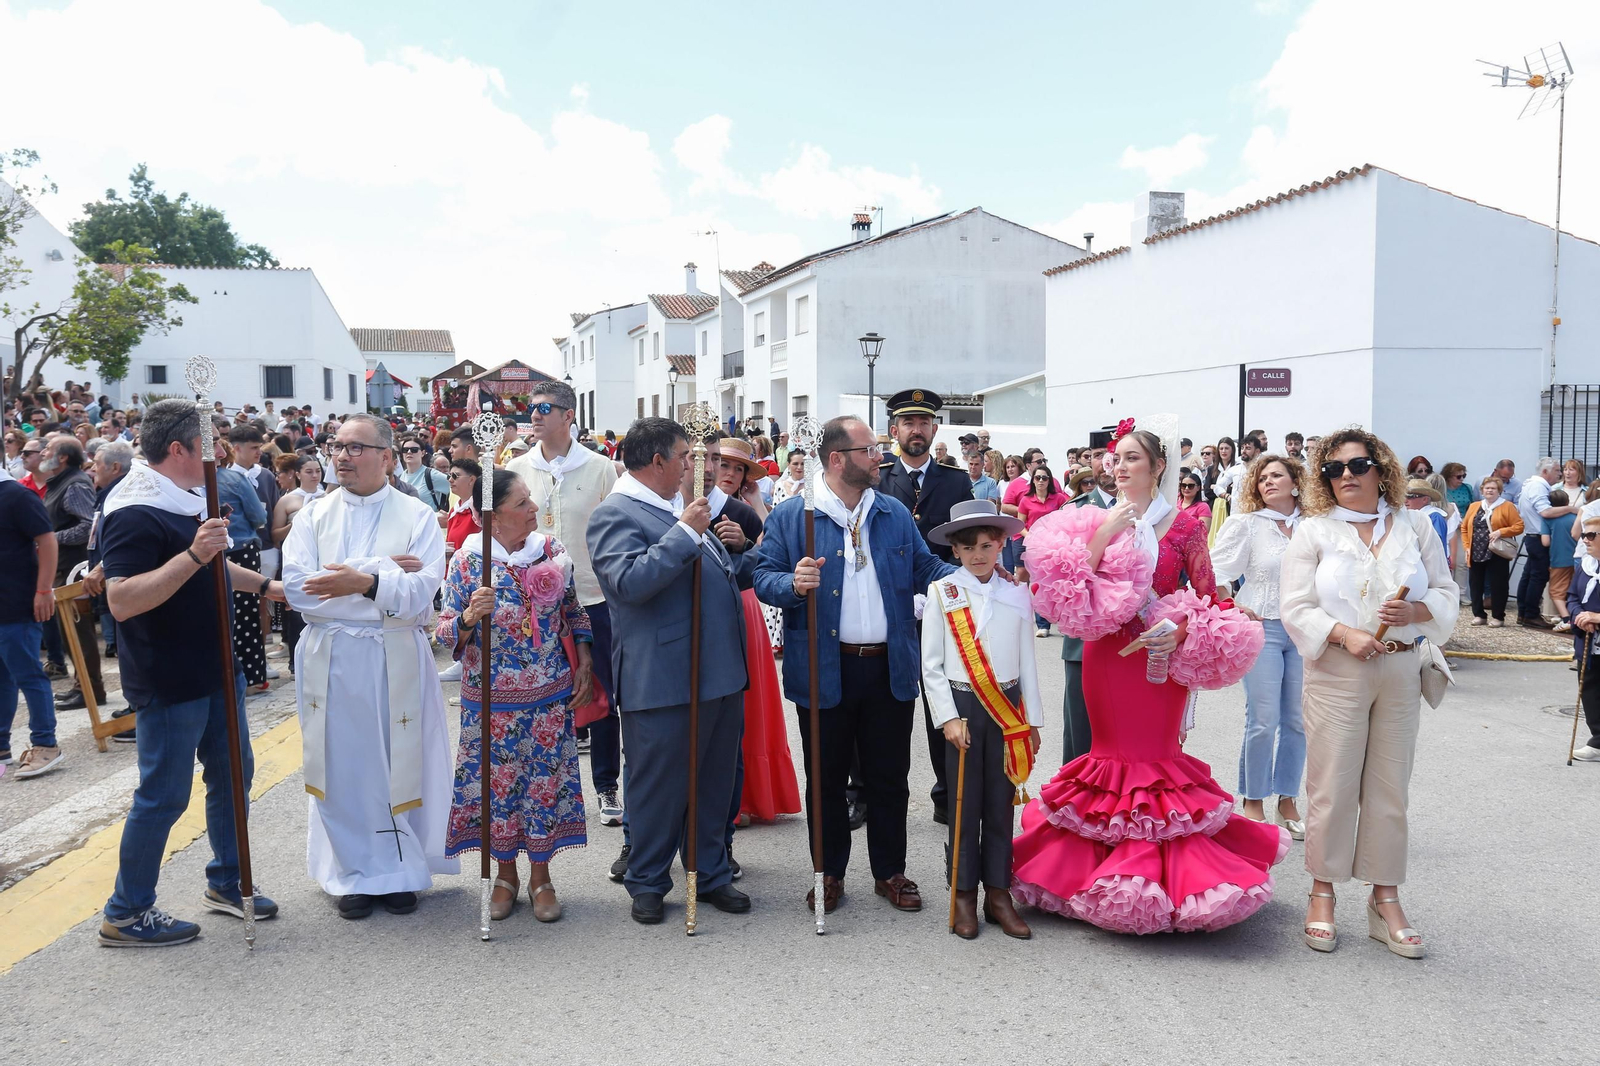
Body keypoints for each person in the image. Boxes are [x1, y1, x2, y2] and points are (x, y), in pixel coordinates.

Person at [1013, 419, 1283, 934]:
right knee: (1107, 756)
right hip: (1106, 656)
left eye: (1131, 458)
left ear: (1159, 467)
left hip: (1160, 663)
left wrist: (1180, 630)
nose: (1119, 467)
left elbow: (1211, 598)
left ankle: (1160, 880)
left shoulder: (1185, 527)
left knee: (1155, 761)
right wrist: (1107, 532)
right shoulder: (1092, 518)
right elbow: (1070, 585)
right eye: (1115, 459)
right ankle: (1093, 875)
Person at [97, 400, 283, 945]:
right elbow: (123, 599)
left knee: (233, 776)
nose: (220, 453)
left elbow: (214, 565)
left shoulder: (188, 495)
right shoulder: (132, 507)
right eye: (210, 444)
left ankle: (227, 879)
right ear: (178, 449)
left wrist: (269, 588)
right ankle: (126, 910)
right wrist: (197, 557)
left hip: (215, 667)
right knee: (163, 795)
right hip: (169, 672)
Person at [754, 415, 954, 915]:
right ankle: (828, 873)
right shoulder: (793, 515)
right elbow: (763, 577)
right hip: (824, 667)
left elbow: (927, 570)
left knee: (890, 776)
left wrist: (979, 575)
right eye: (869, 449)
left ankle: (891, 872)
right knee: (826, 778)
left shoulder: (891, 511)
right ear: (838, 459)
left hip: (889, 666)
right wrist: (792, 585)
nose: (880, 456)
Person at [1280, 428, 1458, 958]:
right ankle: (1322, 891)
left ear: (1381, 469)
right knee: (1332, 784)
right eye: (1333, 470)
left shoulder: (1415, 525)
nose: (1346, 477)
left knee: (1390, 788)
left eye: (1356, 466)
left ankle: (1385, 898)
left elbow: (1447, 591)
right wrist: (1343, 633)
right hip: (1337, 669)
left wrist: (1418, 612)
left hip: (1402, 668)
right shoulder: (1313, 531)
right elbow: (1295, 606)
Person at [282, 413, 458, 920]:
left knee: (396, 765)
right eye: (337, 446)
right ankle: (350, 873)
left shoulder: (417, 515)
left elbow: (422, 594)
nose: (341, 456)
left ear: (386, 456)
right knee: (344, 767)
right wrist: (382, 573)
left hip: (395, 655)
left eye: (356, 448)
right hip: (332, 658)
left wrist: (360, 582)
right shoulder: (312, 517)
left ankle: (399, 871)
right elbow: (299, 592)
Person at [586, 417, 754, 926]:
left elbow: (717, 576)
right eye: (685, 456)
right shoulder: (614, 514)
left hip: (718, 672)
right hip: (662, 676)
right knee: (658, 786)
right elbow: (629, 582)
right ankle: (648, 880)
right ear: (657, 461)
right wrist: (686, 534)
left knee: (714, 782)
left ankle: (711, 870)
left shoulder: (678, 510)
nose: (692, 466)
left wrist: (734, 548)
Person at [436, 467, 592, 922]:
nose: (533, 510)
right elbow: (445, 632)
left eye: (531, 500)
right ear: (493, 517)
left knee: (542, 785)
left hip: (547, 694)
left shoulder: (551, 551)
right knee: (498, 787)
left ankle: (541, 875)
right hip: (490, 700)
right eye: (521, 504)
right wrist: (468, 616)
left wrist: (585, 661)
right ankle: (505, 873)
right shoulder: (467, 562)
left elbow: (573, 610)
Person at [505, 382, 624, 834]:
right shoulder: (516, 467)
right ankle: (545, 789)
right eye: (530, 408)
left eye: (543, 408)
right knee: (543, 694)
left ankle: (607, 784)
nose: (534, 415)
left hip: (593, 595)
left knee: (602, 693)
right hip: (530, 600)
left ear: (568, 415)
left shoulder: (599, 469)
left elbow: (613, 531)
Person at [920, 500, 1039, 939]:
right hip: (965, 708)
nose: (978, 555)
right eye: (968, 547)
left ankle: (998, 894)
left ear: (1001, 544)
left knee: (1000, 804)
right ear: (955, 550)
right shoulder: (943, 593)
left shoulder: (1016, 594)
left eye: (987, 545)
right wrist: (947, 717)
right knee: (964, 806)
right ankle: (964, 893)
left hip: (1008, 710)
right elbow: (930, 664)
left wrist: (1034, 721)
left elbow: (1028, 660)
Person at [876, 389, 973, 825]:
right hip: (890, 610)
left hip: (941, 606)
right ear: (894, 430)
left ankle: (946, 791)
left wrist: (935, 593)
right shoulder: (877, 477)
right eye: (908, 423)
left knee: (943, 699)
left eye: (924, 422)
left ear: (934, 429)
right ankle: (865, 791)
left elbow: (965, 544)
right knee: (880, 704)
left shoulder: (955, 481)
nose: (916, 430)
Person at [1211, 454, 1306, 836]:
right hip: (1263, 630)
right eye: (1262, 478)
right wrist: (1232, 604)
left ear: (1295, 482)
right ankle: (1253, 798)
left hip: (1305, 632)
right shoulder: (1246, 525)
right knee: (1263, 719)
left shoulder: (1315, 527)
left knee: (1298, 720)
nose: (1267, 482)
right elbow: (1216, 570)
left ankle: (1287, 798)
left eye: (1276, 475)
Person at [711, 436, 800, 833]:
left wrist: (751, 519)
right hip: (709, 608)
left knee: (750, 703)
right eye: (722, 464)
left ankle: (750, 795)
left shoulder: (743, 512)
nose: (729, 474)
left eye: (738, 468)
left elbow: (771, 550)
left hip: (745, 605)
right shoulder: (685, 504)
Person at [0, 459, 60, 776]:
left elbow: (46, 539)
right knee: (3, 678)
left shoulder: (16, 495)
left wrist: (44, 589)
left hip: (16, 603)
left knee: (28, 675)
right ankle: (2, 748)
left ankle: (46, 744)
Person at [214, 437, 271, 695]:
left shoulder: (189, 483)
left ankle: (229, 676)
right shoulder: (234, 479)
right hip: (242, 549)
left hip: (213, 552)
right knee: (246, 615)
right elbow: (259, 517)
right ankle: (253, 676)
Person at [1517, 458, 1571, 629]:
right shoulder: (1538, 486)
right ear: (1545, 472)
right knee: (1538, 577)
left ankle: (1524, 613)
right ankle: (1531, 615)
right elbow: (1545, 511)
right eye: (1557, 470)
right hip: (1538, 537)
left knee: (1529, 575)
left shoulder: (1530, 484)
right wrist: (1572, 509)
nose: (1560, 474)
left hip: (1532, 536)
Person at [1461, 477, 1522, 627]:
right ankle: (1479, 615)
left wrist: (1501, 531)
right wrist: (1467, 547)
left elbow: (1519, 526)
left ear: (1499, 491)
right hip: (1476, 549)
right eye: (1487, 488)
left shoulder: (1507, 506)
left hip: (1497, 550)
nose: (1489, 490)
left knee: (1498, 585)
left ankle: (1498, 616)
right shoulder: (1474, 506)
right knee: (1476, 584)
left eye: (1493, 488)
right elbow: (1464, 528)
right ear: (1482, 490)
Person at [1015, 463, 1067, 637]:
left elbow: (1068, 518)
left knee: (1056, 583)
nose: (1041, 481)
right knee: (1039, 584)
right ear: (1033, 480)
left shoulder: (1059, 498)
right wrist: (1029, 536)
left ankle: (1061, 619)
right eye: (1038, 477)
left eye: (1045, 478)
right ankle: (1042, 624)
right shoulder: (1026, 500)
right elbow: (1020, 523)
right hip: (1035, 546)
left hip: (1055, 546)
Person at [1566, 514, 1600, 760]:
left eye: (1591, 536)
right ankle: (1598, 741)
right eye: (1584, 535)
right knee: (1589, 689)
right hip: (1588, 639)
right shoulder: (1585, 566)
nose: (1585, 540)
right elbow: (1572, 597)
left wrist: (1597, 617)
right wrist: (1580, 616)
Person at [1547, 488, 1578, 631]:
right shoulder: (1575, 517)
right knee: (1574, 589)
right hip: (1577, 557)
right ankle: (1575, 616)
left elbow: (1545, 541)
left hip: (1558, 558)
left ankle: (1567, 619)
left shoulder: (1548, 519)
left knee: (1556, 591)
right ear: (1567, 502)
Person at [398, 436, 450, 511]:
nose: (409, 452)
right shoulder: (400, 477)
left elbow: (459, 489)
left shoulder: (431, 475)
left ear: (422, 453)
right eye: (405, 450)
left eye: (414, 450)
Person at [1404, 479, 1450, 556]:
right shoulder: (1409, 515)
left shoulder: (1435, 517)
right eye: (1404, 496)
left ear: (1425, 499)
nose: (1405, 500)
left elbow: (1436, 549)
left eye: (1410, 497)